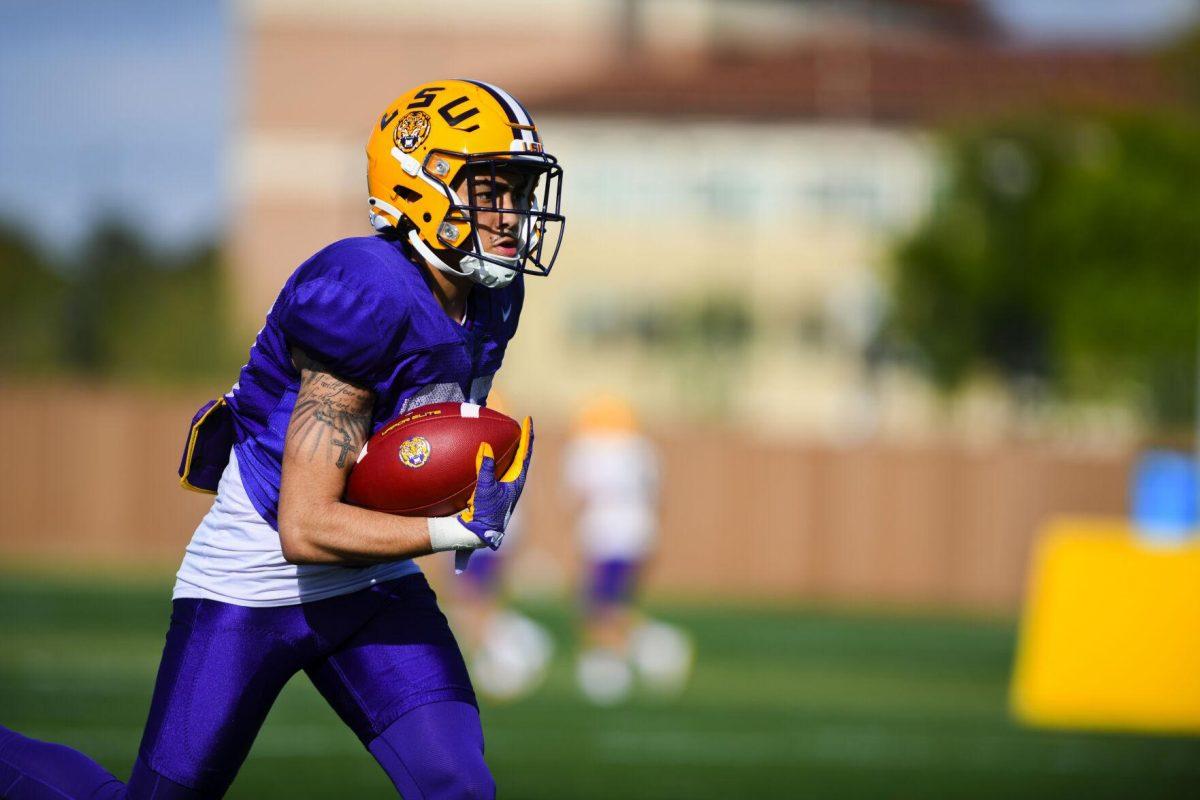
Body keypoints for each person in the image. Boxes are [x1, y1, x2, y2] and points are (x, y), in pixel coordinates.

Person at [0, 78, 565, 800]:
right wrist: (451, 529)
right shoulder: (366, 290)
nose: (512, 215)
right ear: (423, 186)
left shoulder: (494, 298)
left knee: (457, 784)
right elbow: (306, 524)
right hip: (260, 566)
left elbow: (416, 441)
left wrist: (453, 492)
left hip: (370, 576)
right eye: (492, 190)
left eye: (518, 192)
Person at [563, 394, 692, 705]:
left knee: (599, 605)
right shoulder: (642, 449)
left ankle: (643, 654)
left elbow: (577, 499)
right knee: (609, 604)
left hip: (604, 536)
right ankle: (625, 659)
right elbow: (657, 498)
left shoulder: (586, 449)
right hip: (638, 535)